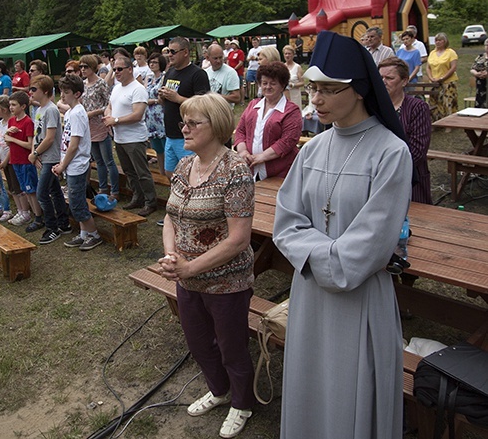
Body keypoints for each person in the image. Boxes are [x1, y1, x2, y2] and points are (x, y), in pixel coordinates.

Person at [273, 31, 412, 439]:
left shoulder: (390, 152)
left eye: (329, 89)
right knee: (310, 382)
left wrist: (322, 259)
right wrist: (326, 256)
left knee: (351, 389)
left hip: (359, 296)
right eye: (313, 88)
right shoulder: (314, 148)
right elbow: (287, 220)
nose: (316, 99)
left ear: (359, 90)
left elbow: (375, 239)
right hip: (311, 295)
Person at [158, 93, 256, 439]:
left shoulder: (235, 170)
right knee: (198, 342)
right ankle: (219, 390)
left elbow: (239, 239)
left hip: (226, 282)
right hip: (186, 278)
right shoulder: (185, 165)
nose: (183, 128)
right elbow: (170, 216)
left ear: (216, 127)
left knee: (232, 347)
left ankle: (242, 403)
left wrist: (190, 267)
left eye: (192, 123)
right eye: (183, 121)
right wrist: (172, 256)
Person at [103, 56, 158, 217]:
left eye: (120, 69)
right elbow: (110, 106)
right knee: (129, 171)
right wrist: (108, 115)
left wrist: (116, 120)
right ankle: (138, 197)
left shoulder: (138, 88)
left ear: (130, 69)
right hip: (120, 138)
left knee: (141, 172)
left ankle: (150, 202)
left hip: (134, 139)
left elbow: (138, 114)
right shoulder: (117, 88)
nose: (116, 72)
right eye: (114, 69)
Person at [53, 75, 103, 251]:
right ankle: (84, 234)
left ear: (77, 93)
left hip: (77, 164)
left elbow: (74, 145)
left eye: (66, 92)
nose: (63, 95)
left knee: (77, 203)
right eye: (61, 91)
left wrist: (62, 165)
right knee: (76, 200)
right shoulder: (70, 112)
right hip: (70, 163)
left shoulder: (78, 113)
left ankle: (94, 234)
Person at [234, 62, 302, 180]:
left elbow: (287, 141)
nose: (267, 87)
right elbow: (240, 131)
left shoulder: (291, 111)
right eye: (264, 83)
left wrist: (261, 157)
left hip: (281, 174)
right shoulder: (253, 105)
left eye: (273, 83)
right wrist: (243, 152)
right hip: (251, 171)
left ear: (282, 85)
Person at [378, 57, 432, 204]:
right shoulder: (373, 109)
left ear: (404, 81)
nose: (383, 81)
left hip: (410, 180)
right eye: (380, 77)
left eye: (389, 78)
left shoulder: (417, 108)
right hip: (376, 182)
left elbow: (418, 151)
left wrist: (387, 171)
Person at [27, 75, 72, 243]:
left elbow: (50, 138)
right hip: (41, 156)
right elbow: (36, 134)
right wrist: (34, 153)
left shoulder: (51, 110)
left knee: (42, 193)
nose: (30, 92)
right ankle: (64, 223)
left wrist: (36, 153)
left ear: (45, 91)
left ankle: (52, 228)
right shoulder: (39, 110)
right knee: (54, 191)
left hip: (51, 157)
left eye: (34, 89)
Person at [159, 37, 210, 179]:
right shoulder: (170, 73)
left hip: (188, 135)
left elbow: (204, 105)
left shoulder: (198, 74)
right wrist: (162, 97)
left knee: (190, 175)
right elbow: (166, 103)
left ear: (185, 52)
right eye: (168, 51)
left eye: (173, 51)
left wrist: (177, 98)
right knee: (170, 173)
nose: (169, 55)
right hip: (170, 134)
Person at [78, 54, 120, 199]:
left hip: (101, 124)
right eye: (81, 67)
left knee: (108, 160)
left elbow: (109, 103)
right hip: (89, 126)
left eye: (86, 67)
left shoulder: (101, 83)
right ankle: (103, 188)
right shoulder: (82, 84)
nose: (83, 69)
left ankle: (115, 190)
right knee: (98, 161)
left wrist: (95, 112)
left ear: (93, 67)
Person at [4, 91, 43, 228]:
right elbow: (8, 143)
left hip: (25, 162)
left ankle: (38, 217)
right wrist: (7, 135)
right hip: (15, 161)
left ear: (23, 106)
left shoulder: (28, 122)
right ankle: (31, 214)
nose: (11, 107)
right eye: (10, 105)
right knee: (25, 190)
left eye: (14, 105)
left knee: (31, 190)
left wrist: (11, 138)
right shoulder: (11, 121)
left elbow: (29, 145)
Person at [426, 32, 459, 121]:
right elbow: (428, 67)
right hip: (434, 82)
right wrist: (431, 78)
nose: (438, 42)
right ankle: (436, 121)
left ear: (445, 41)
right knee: (435, 102)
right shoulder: (432, 53)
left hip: (448, 82)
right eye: (436, 40)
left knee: (448, 102)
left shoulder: (451, 52)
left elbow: (453, 68)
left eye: (440, 40)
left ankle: (450, 122)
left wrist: (442, 78)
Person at [145, 53, 167, 176]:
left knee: (165, 145)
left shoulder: (164, 78)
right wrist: (152, 101)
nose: (152, 64)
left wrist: (151, 101)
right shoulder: (148, 78)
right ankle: (162, 171)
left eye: (155, 62)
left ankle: (169, 171)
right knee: (157, 148)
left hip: (161, 116)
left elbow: (161, 99)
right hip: (150, 117)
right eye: (151, 62)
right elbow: (143, 97)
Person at [470, 38, 488, 108]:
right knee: (480, 105)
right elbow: (472, 68)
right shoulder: (480, 56)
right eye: (487, 45)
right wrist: (476, 73)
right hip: (480, 85)